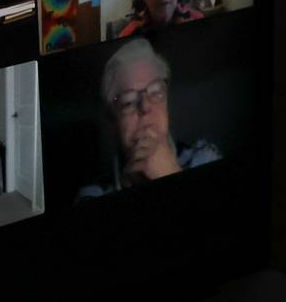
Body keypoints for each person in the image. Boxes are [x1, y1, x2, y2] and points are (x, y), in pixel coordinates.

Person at [77, 39, 220, 200]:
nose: (145, 107)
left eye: (156, 92)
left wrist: (171, 171)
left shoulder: (204, 156)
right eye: (129, 101)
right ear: (113, 120)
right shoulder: (91, 193)